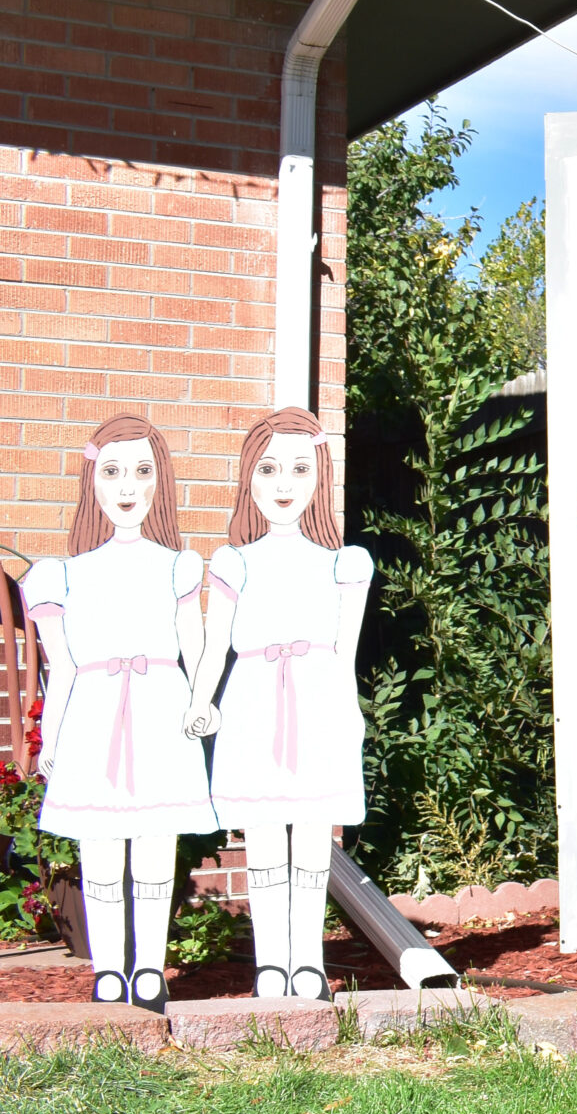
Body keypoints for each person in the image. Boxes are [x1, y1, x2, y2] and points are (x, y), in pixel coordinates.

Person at [24, 414, 217, 1013]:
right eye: (112, 472)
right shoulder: (61, 576)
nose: (127, 486)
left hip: (160, 712)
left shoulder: (178, 566)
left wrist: (201, 702)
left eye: (141, 471)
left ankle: (150, 972)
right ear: (93, 482)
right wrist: (49, 736)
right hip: (94, 717)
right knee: (102, 851)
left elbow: (197, 647)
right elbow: (63, 668)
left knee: (156, 850)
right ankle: (109, 972)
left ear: (159, 480)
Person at [184, 407, 374, 1001]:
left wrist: (351, 712)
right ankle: (271, 964)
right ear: (250, 479)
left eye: (299, 468)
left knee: (314, 843)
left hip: (317, 701)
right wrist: (201, 700)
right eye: (269, 469)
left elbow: (345, 654)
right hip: (252, 704)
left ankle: (308, 962)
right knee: (264, 840)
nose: (285, 484)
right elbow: (216, 648)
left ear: (320, 476)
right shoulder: (233, 563)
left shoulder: (345, 564)